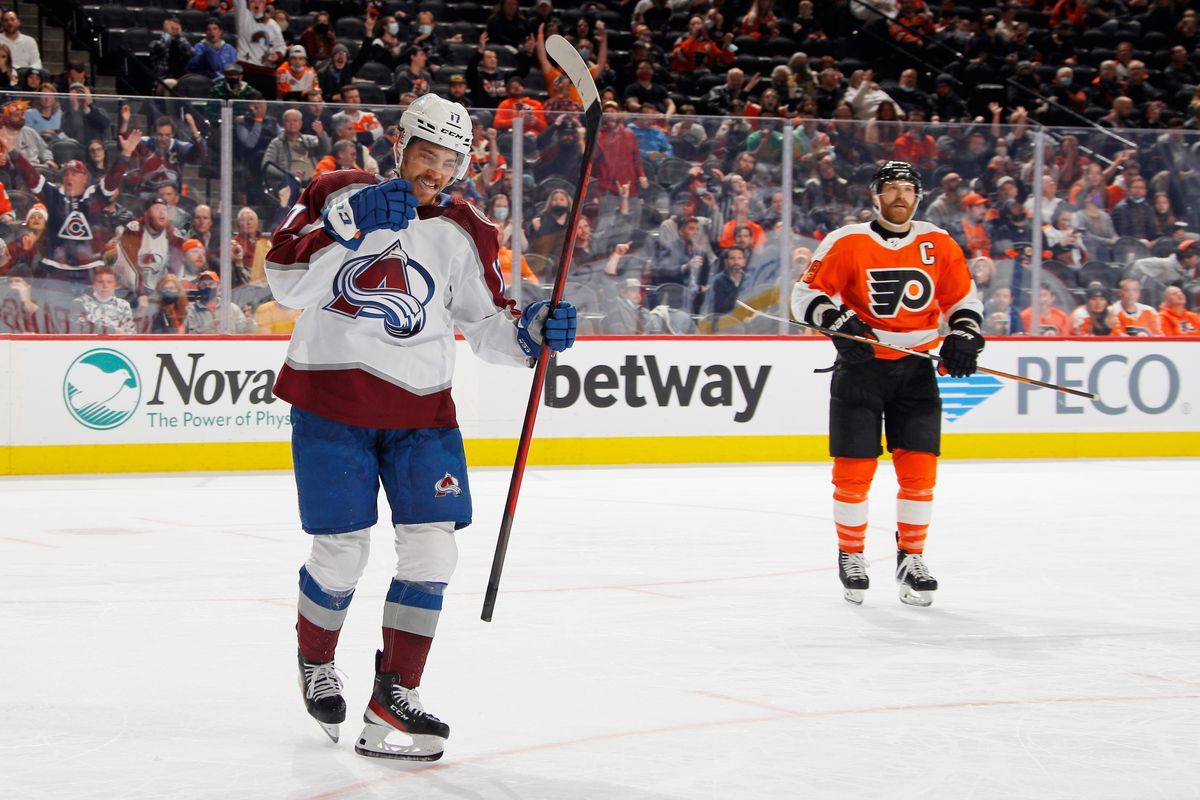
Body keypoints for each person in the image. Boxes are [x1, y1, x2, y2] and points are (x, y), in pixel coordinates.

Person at [264, 92, 577, 761]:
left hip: (423, 413)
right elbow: (284, 281)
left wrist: (531, 332)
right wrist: (344, 228)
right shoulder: (334, 190)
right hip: (331, 402)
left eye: (448, 161)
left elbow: (490, 324)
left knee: (433, 552)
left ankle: (393, 696)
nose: (433, 171)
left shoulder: (469, 231)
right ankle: (316, 660)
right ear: (399, 142)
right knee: (342, 552)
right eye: (424, 154)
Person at [790, 161, 984, 608]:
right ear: (875, 197)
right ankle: (851, 554)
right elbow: (805, 295)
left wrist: (964, 335)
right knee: (854, 473)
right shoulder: (847, 241)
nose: (900, 195)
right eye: (891, 188)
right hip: (861, 369)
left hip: (916, 370)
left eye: (907, 189)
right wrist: (838, 320)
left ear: (918, 197)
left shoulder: (938, 242)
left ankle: (911, 558)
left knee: (919, 474)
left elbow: (961, 300)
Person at [71, 265, 135, 334]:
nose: (105, 286)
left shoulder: (123, 305)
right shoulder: (80, 303)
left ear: (115, 285)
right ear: (94, 284)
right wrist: (112, 330)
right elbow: (78, 327)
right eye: (100, 282)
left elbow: (130, 333)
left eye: (109, 282)